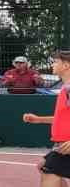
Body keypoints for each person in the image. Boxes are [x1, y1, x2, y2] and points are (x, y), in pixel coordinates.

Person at [23, 51, 70, 187]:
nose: (52, 65)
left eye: (55, 61)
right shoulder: (65, 88)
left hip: (66, 144)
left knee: (49, 173)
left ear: (66, 65)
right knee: (44, 167)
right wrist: (38, 119)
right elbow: (63, 118)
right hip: (62, 145)